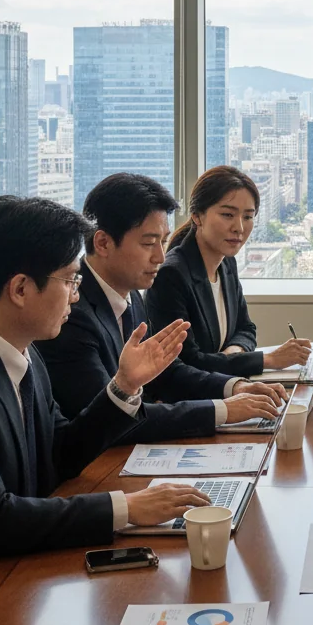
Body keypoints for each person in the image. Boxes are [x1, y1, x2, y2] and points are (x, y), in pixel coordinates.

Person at [0, 196, 212, 613]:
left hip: (17, 568)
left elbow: (58, 452)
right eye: (70, 280)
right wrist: (126, 507)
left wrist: (123, 387)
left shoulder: (21, 351)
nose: (76, 297)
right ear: (21, 289)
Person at [37, 173, 287, 439]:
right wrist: (221, 410)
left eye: (163, 241)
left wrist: (234, 387)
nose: (159, 256)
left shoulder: (131, 296)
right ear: (103, 243)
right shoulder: (71, 314)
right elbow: (111, 419)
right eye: (148, 243)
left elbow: (164, 373)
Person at [146, 166, 313, 376]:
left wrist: (234, 353)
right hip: (190, 401)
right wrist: (269, 360)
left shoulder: (226, 264)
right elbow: (187, 363)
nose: (239, 228)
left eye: (248, 217)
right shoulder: (172, 276)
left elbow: (246, 329)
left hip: (224, 387)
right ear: (197, 216)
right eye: (228, 215)